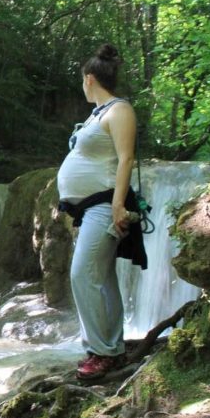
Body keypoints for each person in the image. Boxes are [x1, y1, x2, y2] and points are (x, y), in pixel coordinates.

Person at [55, 44, 146, 381]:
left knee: (83, 275)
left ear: (89, 79)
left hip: (106, 206)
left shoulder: (119, 111)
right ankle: (111, 350)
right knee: (102, 278)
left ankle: (101, 352)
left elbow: (125, 159)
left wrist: (119, 205)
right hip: (90, 209)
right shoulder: (98, 113)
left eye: (82, 80)